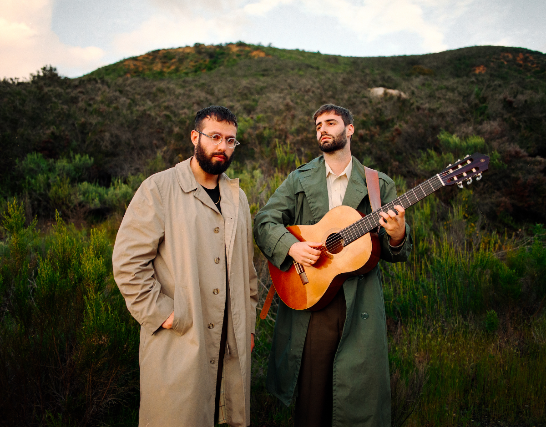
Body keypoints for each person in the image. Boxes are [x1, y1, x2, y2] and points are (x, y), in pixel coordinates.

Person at [253, 104, 412, 427]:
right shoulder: (299, 179)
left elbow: (396, 252)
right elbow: (264, 221)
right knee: (313, 399)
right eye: (317, 125)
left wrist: (397, 236)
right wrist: (292, 247)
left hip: (361, 303)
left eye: (331, 122)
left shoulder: (378, 185)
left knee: (360, 395)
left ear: (349, 129)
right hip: (313, 297)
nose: (322, 129)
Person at [113, 105, 258, 427]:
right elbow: (128, 262)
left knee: (227, 415)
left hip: (231, 342)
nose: (222, 146)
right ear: (195, 137)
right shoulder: (159, 188)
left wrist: (247, 324)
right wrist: (163, 313)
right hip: (181, 339)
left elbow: (247, 272)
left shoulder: (238, 198)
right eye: (215, 137)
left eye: (231, 140)